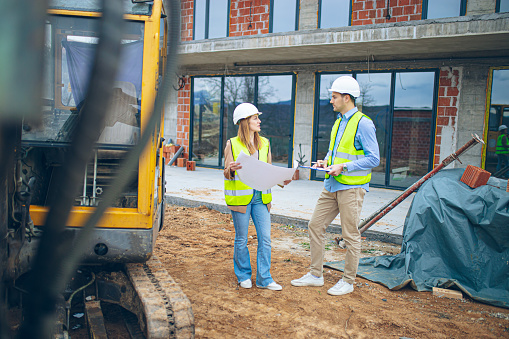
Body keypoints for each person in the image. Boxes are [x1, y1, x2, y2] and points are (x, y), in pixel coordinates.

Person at [291, 76, 380, 296]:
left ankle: (348, 281)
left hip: (351, 188)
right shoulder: (339, 121)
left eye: (334, 96)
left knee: (350, 235)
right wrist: (326, 161)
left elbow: (374, 159)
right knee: (315, 225)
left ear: (346, 98)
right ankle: (315, 275)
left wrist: (344, 167)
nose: (331, 100)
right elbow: (336, 152)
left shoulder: (363, 123)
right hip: (331, 185)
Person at [224, 102, 290, 291]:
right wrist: (232, 169)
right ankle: (243, 275)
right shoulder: (232, 144)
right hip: (241, 200)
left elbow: (268, 171)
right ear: (245, 122)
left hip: (261, 198)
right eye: (255, 118)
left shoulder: (265, 143)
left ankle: (264, 279)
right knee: (242, 239)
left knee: (266, 239)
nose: (259, 121)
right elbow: (226, 172)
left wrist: (281, 180)